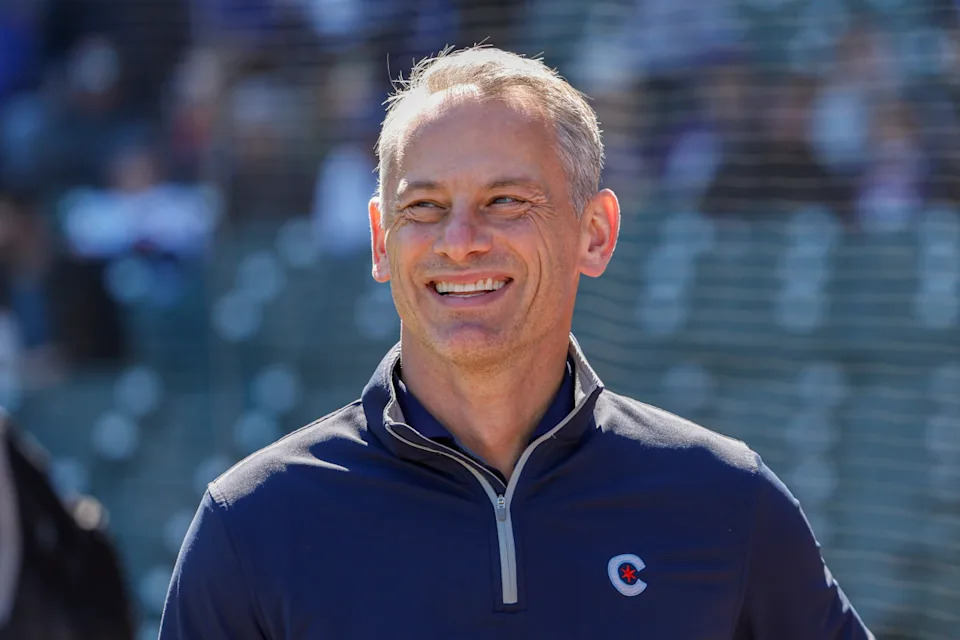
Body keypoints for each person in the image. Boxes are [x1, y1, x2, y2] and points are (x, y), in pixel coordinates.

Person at [159, 46, 874, 639]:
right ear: (382, 242)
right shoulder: (252, 525)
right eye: (424, 208)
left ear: (594, 233)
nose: (461, 242)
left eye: (506, 201)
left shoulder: (727, 501)